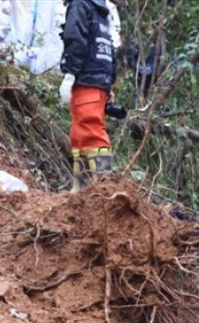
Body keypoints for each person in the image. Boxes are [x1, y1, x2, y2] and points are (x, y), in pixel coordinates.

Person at [59, 0, 117, 191]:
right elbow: (108, 47)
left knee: (90, 133)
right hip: (98, 80)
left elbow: (75, 39)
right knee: (82, 135)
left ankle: (104, 188)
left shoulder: (80, 5)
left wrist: (70, 73)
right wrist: (108, 84)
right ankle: (82, 190)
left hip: (86, 78)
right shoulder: (101, 10)